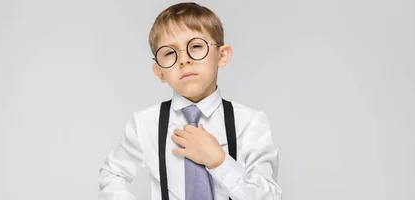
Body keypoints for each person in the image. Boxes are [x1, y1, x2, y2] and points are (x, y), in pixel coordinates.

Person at [98, 2, 281, 200]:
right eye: (169, 53)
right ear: (160, 71)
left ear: (222, 55)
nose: (184, 60)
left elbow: (269, 197)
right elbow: (112, 175)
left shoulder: (250, 123)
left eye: (195, 46)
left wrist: (219, 161)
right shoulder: (145, 123)